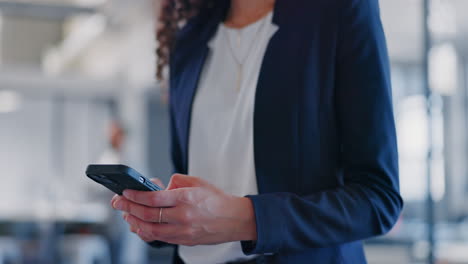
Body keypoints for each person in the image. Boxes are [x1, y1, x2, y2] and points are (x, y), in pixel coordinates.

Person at [111, 0, 404, 263]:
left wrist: (246, 219)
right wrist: (165, 217)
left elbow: (378, 199)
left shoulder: (341, 10)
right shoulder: (189, 41)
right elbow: (190, 185)